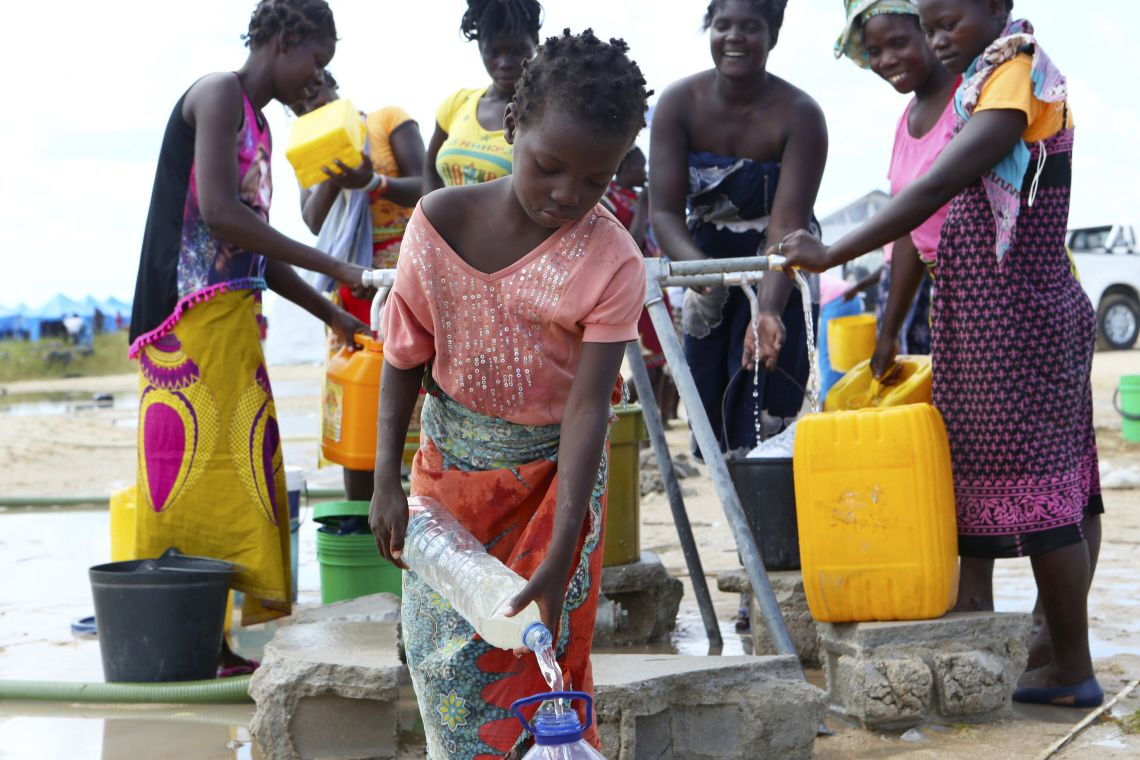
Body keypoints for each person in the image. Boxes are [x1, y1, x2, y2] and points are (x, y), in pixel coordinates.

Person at [779, 0, 1103, 707]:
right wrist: (892, 325)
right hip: (978, 320)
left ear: (997, 8)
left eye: (948, 21)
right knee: (973, 482)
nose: (936, 39)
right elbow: (925, 218)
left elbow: (938, 185)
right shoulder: (973, 85)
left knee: (1044, 498)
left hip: (1022, 319)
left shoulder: (1017, 73)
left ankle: (1071, 665)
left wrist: (831, 250)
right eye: (930, 25)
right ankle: (977, 640)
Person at [369, 30, 650, 758]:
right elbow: (402, 355)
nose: (568, 196)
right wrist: (385, 485)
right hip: (448, 488)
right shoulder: (438, 223)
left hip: (555, 488)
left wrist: (562, 552)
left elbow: (591, 405)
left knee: (546, 675)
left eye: (595, 182)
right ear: (512, 127)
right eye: (549, 168)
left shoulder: (613, 260)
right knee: (447, 671)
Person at [127, 0, 367, 673]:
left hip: (231, 320)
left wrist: (332, 312)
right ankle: (176, 639)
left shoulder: (257, 124)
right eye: (315, 61)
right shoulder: (217, 95)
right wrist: (338, 268)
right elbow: (219, 214)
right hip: (186, 325)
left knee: (242, 472)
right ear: (286, 40)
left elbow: (256, 250)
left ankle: (213, 641)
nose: (315, 81)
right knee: (193, 478)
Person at [650, 0, 828, 455]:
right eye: (722, 25)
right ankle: (734, 505)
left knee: (769, 396)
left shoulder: (800, 115)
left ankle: (772, 511)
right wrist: (705, 276)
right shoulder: (677, 105)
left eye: (750, 27)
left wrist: (765, 309)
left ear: (774, 34)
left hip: (782, 263)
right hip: (702, 259)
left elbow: (787, 225)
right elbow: (665, 214)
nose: (734, 37)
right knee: (710, 402)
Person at [289, 69, 426, 501]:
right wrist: (335, 168)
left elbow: (426, 185)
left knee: (419, 410)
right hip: (351, 293)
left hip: (407, 285)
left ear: (333, 85)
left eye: (317, 93)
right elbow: (313, 220)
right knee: (357, 414)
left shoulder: (386, 122)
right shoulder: (309, 154)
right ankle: (364, 527)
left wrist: (370, 181)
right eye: (301, 106)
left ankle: (422, 514)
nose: (312, 106)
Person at [835, 0, 954, 361]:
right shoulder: (905, 123)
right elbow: (909, 229)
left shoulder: (971, 96)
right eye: (874, 51)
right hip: (948, 299)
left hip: (1002, 292)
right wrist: (888, 334)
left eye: (899, 43)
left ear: (930, 31)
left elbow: (930, 194)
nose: (886, 60)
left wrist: (829, 255)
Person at [423, 0, 543, 193]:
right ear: (480, 49)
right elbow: (429, 169)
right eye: (493, 52)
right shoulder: (457, 103)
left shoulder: (548, 115)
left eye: (516, 50)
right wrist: (425, 219)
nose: (504, 63)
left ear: (535, 42)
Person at [603, 147, 677, 426]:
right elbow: (629, 242)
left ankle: (653, 421)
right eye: (640, 167)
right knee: (645, 363)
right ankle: (626, 413)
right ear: (624, 167)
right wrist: (645, 203)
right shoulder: (608, 199)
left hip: (654, 284)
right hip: (631, 284)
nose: (644, 173)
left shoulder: (635, 197)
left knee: (659, 363)